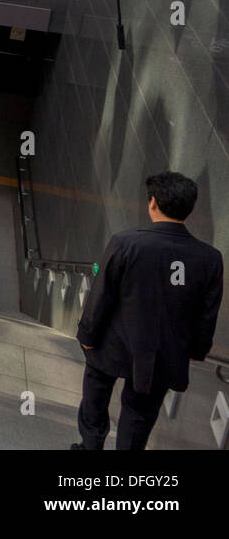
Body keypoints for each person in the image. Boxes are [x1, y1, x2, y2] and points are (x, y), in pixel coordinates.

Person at [73, 171, 223, 450]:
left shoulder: (126, 243)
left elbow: (101, 294)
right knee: (140, 414)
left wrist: (87, 334)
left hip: (113, 343)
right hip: (163, 355)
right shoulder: (210, 259)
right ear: (188, 209)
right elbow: (207, 313)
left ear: (152, 203)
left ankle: (89, 446)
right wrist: (198, 349)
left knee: (95, 394)